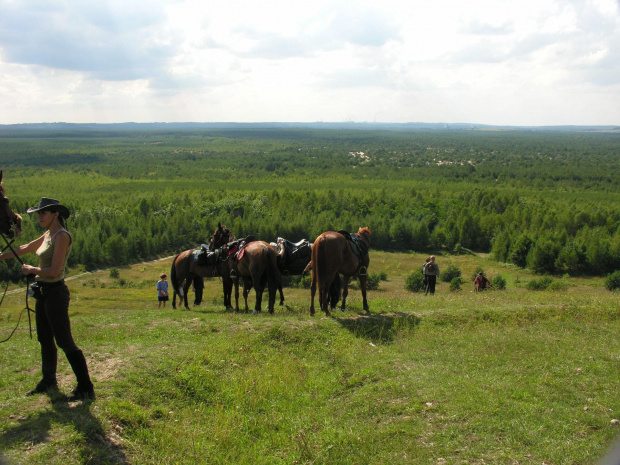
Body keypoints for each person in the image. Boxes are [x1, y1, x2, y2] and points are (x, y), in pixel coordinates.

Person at [0, 197, 95, 401]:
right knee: (45, 339)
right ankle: (48, 380)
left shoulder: (61, 236)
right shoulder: (48, 234)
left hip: (55, 293)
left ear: (55, 214)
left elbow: (53, 271)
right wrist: (1, 256)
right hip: (43, 292)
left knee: (64, 341)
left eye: (43, 213)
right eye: (38, 213)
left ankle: (86, 387)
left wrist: (31, 269)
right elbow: (25, 247)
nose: (40, 217)